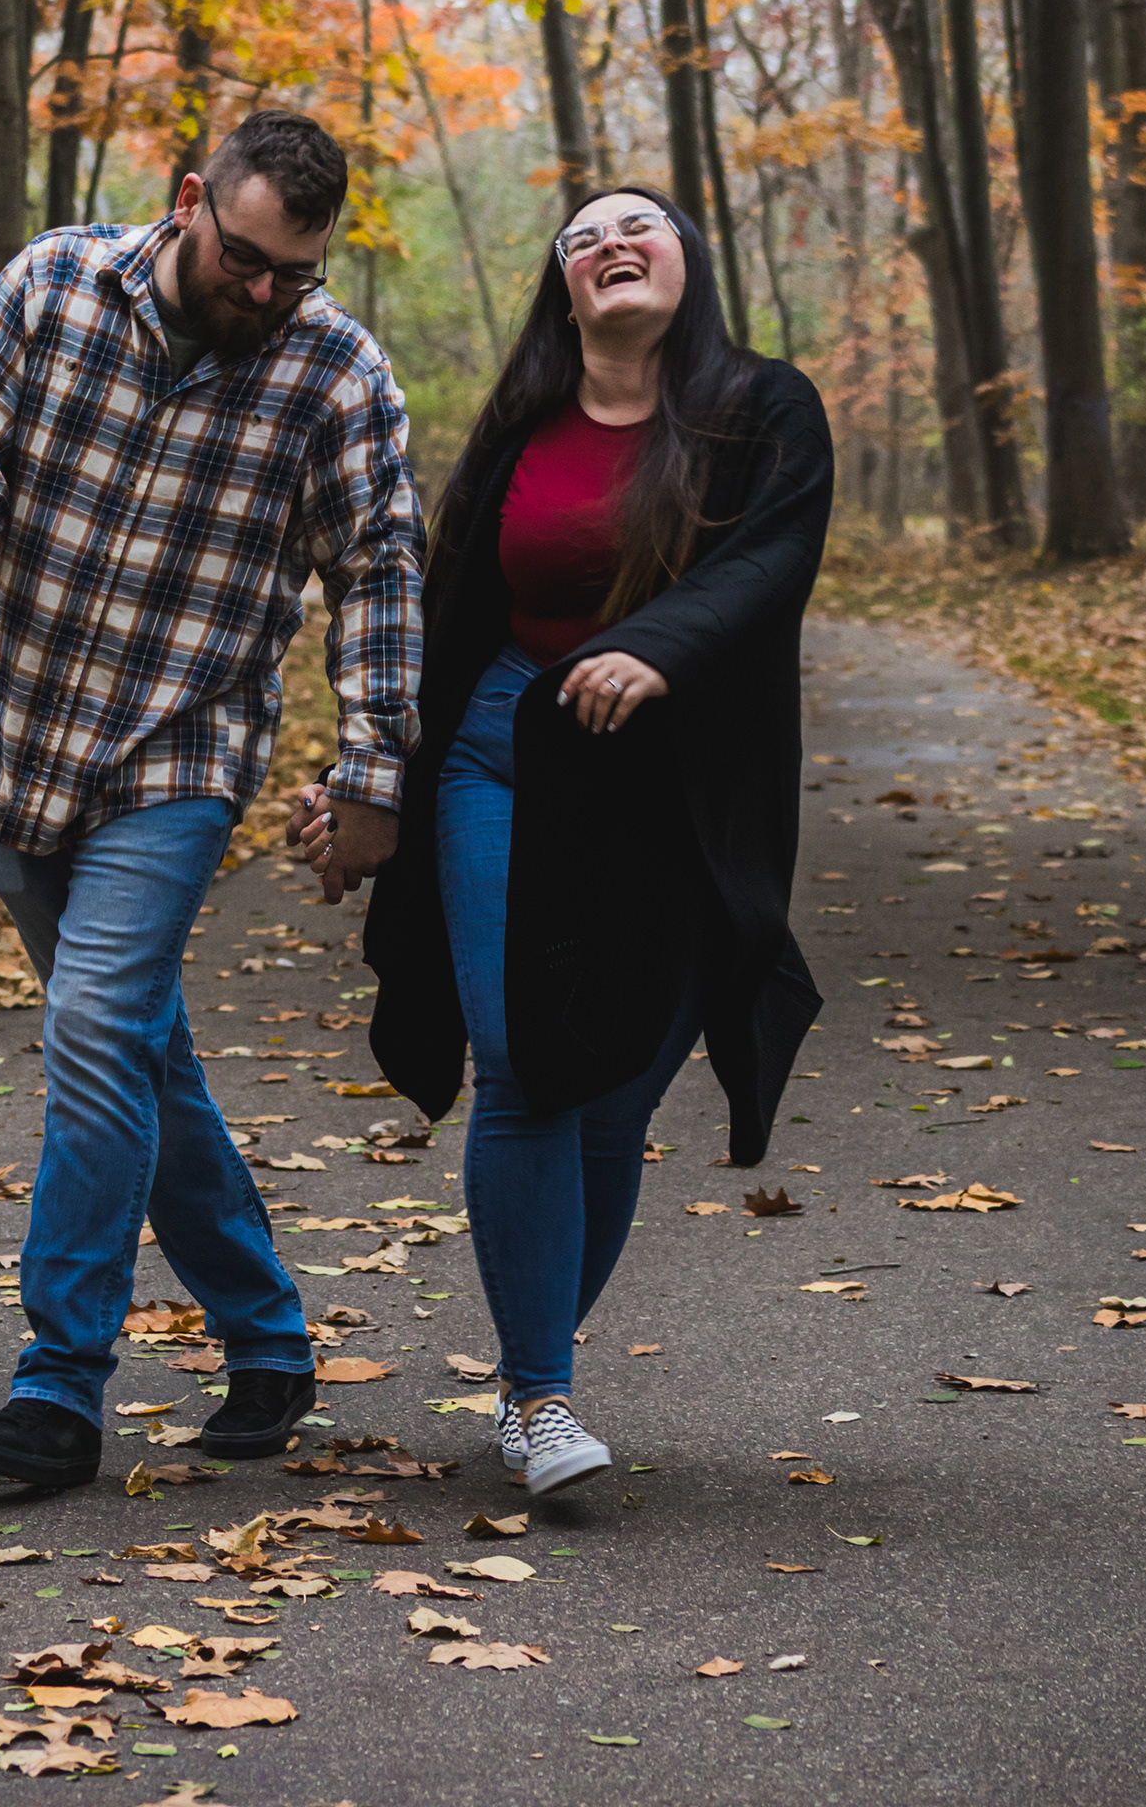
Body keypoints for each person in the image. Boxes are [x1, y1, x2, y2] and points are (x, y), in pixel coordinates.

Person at [0, 111, 422, 1493]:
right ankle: (269, 1336)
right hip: (19, 748)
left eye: (291, 275)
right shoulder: (54, 285)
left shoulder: (337, 374)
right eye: (244, 259)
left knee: (93, 1030)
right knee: (135, 1058)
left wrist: (374, 775)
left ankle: (60, 1388)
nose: (263, 294)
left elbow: (380, 583)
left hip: (179, 760)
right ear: (189, 202)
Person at [298, 185, 832, 1497]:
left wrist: (656, 646)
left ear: (688, 263)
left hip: (674, 792)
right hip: (503, 753)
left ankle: (534, 1362)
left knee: (611, 1093)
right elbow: (439, 604)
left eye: (637, 225)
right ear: (564, 285)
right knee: (528, 1063)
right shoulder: (526, 426)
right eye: (582, 235)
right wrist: (369, 777)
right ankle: (540, 1396)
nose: (610, 244)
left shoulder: (765, 409)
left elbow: (771, 561)